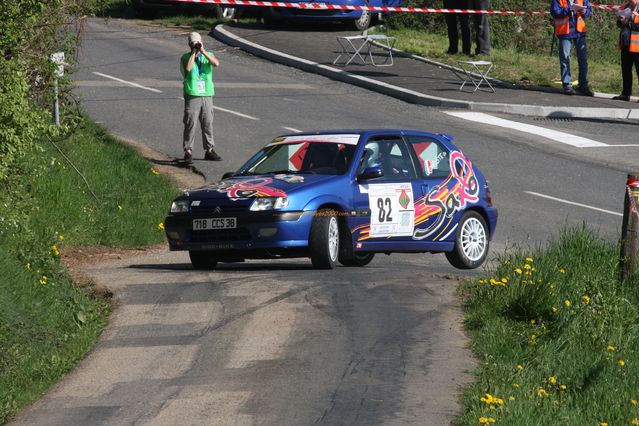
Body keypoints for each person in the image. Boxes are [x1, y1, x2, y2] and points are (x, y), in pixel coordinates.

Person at [180, 32, 221, 163]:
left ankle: (209, 150)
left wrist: (203, 51)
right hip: (193, 94)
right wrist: (193, 53)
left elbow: (216, 64)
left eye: (198, 42)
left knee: (207, 122)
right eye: (193, 43)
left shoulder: (208, 55)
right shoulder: (185, 57)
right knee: (190, 123)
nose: (196, 44)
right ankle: (188, 151)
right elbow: (188, 69)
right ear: (189, 44)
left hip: (207, 94)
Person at [550, 0, 594, 96]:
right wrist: (569, 9)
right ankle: (567, 85)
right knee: (565, 59)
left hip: (579, 33)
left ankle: (583, 86)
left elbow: (588, 11)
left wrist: (584, 12)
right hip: (565, 32)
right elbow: (555, 12)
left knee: (583, 60)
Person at [613, 0, 639, 102]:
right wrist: (620, 19)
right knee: (626, 69)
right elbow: (619, 24)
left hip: (637, 46)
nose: (630, 2)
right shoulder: (626, 6)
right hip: (626, 43)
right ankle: (625, 93)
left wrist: (627, 23)